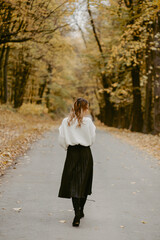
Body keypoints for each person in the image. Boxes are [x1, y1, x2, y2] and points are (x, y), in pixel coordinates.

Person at [58, 97, 96, 227]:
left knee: (74, 183)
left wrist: (67, 147)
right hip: (85, 153)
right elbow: (92, 138)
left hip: (72, 153)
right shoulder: (88, 122)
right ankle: (81, 210)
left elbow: (62, 138)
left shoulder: (66, 121)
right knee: (84, 183)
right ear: (85, 108)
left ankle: (77, 214)